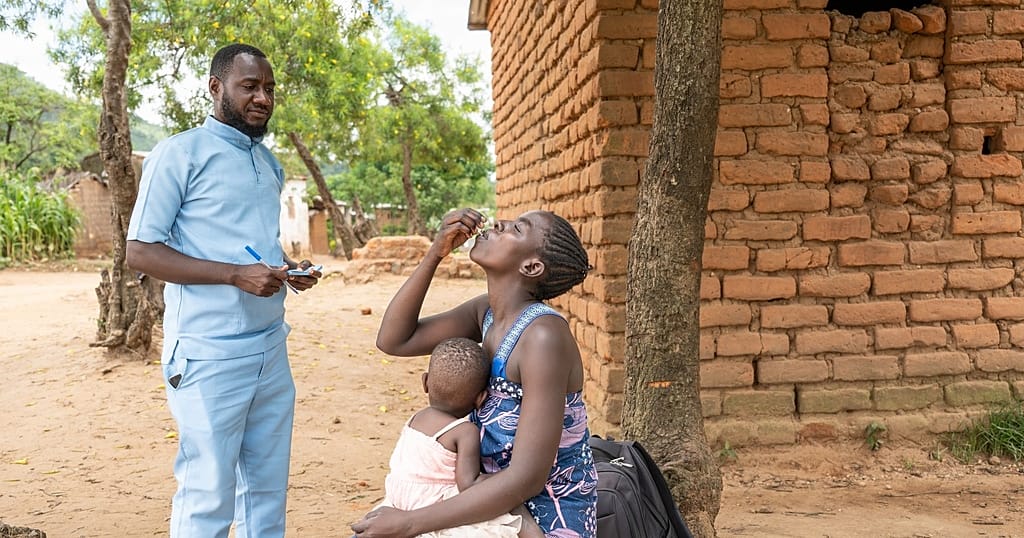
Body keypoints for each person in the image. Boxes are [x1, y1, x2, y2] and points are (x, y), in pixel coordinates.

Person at [125, 43, 321, 538]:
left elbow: (252, 248)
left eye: (269, 89)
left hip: (270, 349)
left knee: (266, 493)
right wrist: (235, 275)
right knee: (208, 494)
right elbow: (141, 252)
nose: (263, 98)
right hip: (208, 355)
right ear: (216, 88)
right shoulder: (179, 153)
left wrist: (285, 270)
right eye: (250, 86)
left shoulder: (269, 163)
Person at [352, 208, 597, 538]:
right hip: (483, 497)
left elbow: (526, 478)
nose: (499, 224)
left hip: (541, 515)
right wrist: (436, 252)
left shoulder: (543, 336)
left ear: (531, 266)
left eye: (516, 229)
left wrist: (410, 523)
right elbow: (395, 340)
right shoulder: (486, 313)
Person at [378, 336, 543, 538]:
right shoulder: (464, 431)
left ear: (425, 382)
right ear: (481, 398)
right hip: (433, 501)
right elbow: (468, 483)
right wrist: (507, 478)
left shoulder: (417, 418)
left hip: (398, 495)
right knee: (511, 513)